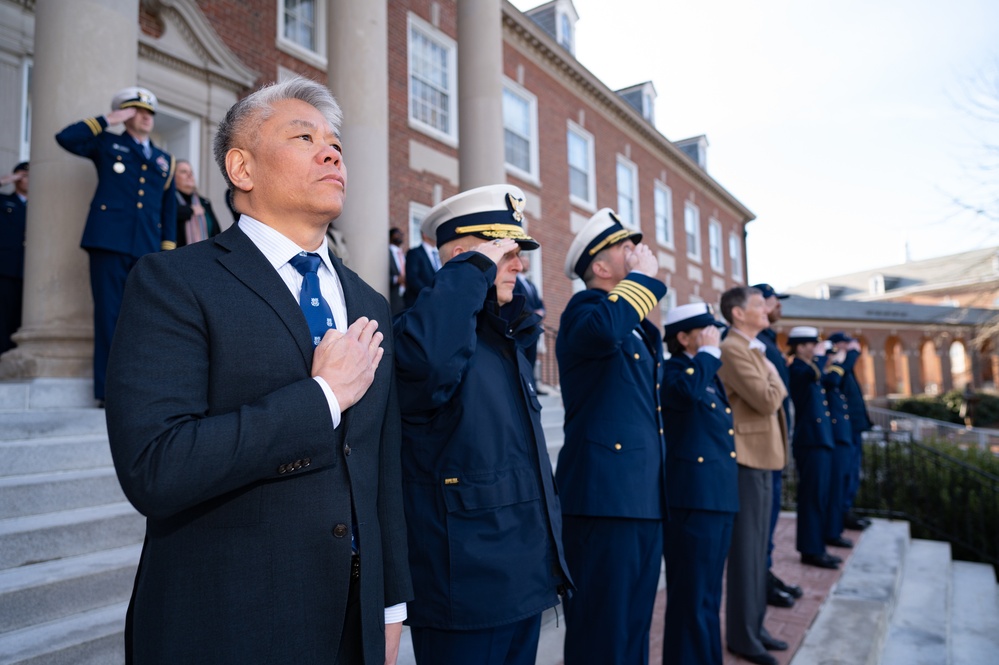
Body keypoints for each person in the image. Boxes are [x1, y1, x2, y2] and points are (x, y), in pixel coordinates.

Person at [104, 76, 413, 664]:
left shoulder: (370, 302)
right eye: (304, 136)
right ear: (241, 169)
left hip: (355, 623)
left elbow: (380, 467)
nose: (331, 151)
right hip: (227, 623)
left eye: (336, 143)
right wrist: (322, 397)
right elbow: (156, 466)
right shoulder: (173, 282)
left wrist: (391, 603)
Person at [394, 184, 571, 665]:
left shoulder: (503, 340)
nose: (520, 264)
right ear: (458, 258)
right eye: (505, 252)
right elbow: (428, 366)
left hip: (521, 578)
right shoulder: (424, 333)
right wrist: (470, 272)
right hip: (466, 589)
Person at [556, 208, 668, 665]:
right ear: (600, 268)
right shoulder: (585, 311)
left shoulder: (632, 324)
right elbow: (605, 330)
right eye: (626, 248)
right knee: (603, 631)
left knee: (633, 627)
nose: (637, 253)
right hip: (604, 499)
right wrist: (642, 278)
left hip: (639, 497)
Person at [55, 86, 177, 403]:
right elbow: (66, 138)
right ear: (124, 115)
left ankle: (139, 385)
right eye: (137, 111)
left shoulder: (166, 160)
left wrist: (166, 253)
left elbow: (168, 210)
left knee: (143, 318)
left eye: (149, 112)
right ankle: (109, 391)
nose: (145, 117)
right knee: (109, 314)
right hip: (109, 241)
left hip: (147, 248)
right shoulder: (107, 143)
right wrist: (107, 119)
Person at [661, 303, 738, 665]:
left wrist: (706, 355)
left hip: (716, 497)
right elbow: (684, 395)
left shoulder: (702, 370)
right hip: (693, 501)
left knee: (708, 596)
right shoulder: (674, 371)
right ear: (682, 337)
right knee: (691, 598)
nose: (714, 336)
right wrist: (708, 353)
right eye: (705, 331)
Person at [716, 286, 789, 665]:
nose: (767, 309)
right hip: (746, 460)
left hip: (764, 458)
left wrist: (771, 374)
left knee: (759, 550)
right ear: (738, 314)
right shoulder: (732, 348)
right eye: (759, 304)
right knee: (746, 554)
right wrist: (776, 373)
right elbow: (767, 398)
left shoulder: (753, 348)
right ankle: (742, 637)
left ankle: (755, 626)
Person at [751, 283, 803, 608]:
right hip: (763, 445)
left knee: (769, 520)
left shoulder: (768, 342)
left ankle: (766, 575)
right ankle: (761, 580)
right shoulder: (757, 344)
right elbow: (771, 395)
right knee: (763, 521)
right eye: (773, 302)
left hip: (778, 440)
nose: (777, 307)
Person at [787, 327, 842, 570]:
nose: (816, 349)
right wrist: (820, 357)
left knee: (821, 496)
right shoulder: (798, 368)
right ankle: (811, 549)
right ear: (800, 347)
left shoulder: (811, 368)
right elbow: (813, 374)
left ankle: (818, 546)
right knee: (811, 497)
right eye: (811, 344)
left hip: (821, 439)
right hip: (810, 441)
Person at [828, 332, 873, 530]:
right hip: (846, 430)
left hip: (855, 426)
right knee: (847, 472)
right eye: (845, 344)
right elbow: (838, 376)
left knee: (854, 472)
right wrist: (851, 353)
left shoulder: (844, 366)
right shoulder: (836, 365)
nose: (850, 348)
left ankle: (847, 509)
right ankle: (843, 512)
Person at [0, 161, 28, 354]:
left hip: (30, 270)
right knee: (3, 316)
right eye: (24, 174)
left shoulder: (41, 206)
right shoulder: (4, 201)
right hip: (6, 268)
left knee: (22, 316)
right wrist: (7, 180)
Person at [173, 159, 221, 247]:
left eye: (191, 172)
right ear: (173, 177)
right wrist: (190, 210)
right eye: (184, 172)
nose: (189, 175)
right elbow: (170, 214)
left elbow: (216, 232)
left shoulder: (204, 202)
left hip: (205, 256)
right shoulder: (169, 200)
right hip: (177, 256)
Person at [513, 253, 545, 373]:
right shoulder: (514, 282)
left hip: (533, 328)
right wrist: (533, 313)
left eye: (528, 262)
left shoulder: (531, 285)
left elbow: (540, 304)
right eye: (524, 261)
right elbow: (518, 301)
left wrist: (542, 312)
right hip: (522, 328)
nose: (527, 264)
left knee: (531, 359)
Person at [402, 230, 440, 309]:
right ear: (425, 234)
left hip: (435, 305)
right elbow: (412, 278)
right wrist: (431, 293)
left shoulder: (438, 254)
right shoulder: (414, 253)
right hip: (418, 304)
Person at [388, 226, 406, 315]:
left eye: (401, 234)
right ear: (390, 236)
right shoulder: (386, 253)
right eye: (397, 234)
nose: (400, 236)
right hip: (393, 296)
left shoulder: (403, 254)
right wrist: (396, 279)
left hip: (406, 297)